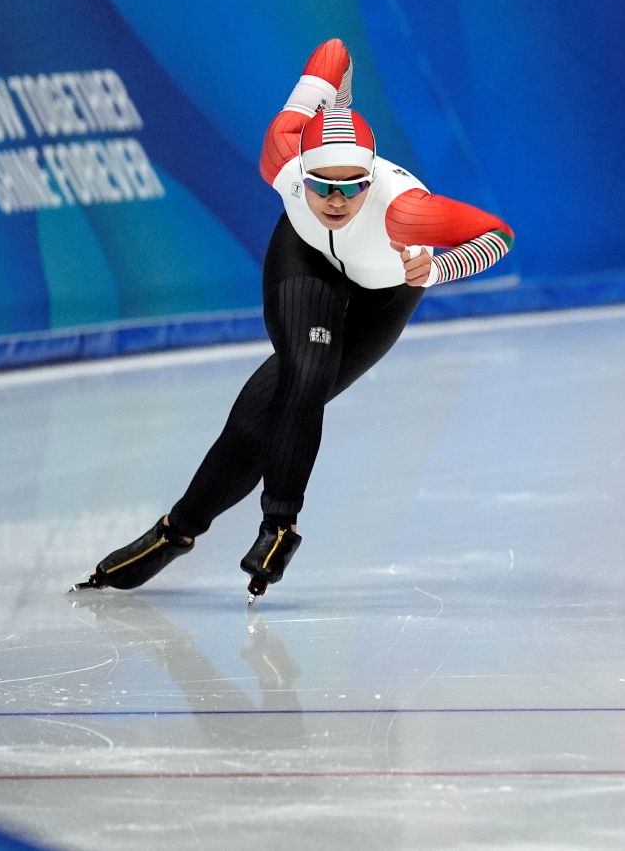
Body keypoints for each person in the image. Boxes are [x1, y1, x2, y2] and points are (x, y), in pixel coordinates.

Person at [72, 38, 514, 602]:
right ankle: (234, 528)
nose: (336, 200)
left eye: (352, 187)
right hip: (306, 256)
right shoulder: (281, 152)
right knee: (299, 377)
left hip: (388, 287)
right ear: (298, 172)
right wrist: (336, 102)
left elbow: (497, 234)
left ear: (371, 179)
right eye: (322, 185)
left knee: (275, 407)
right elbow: (334, 50)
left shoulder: (406, 212)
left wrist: (441, 267)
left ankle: (204, 529)